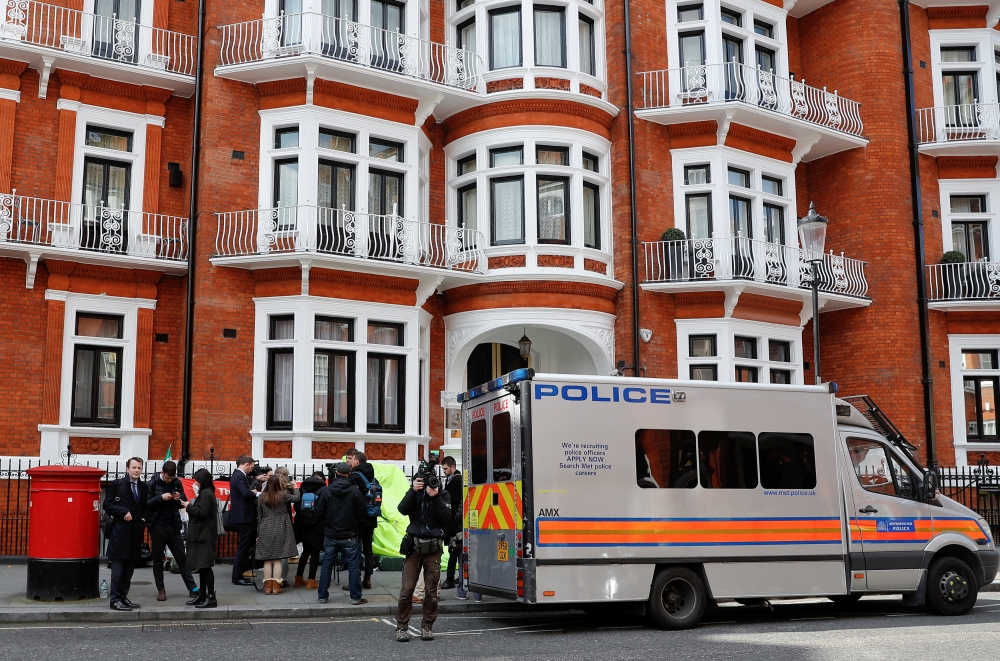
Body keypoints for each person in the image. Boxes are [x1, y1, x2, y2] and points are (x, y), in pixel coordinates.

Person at [394, 472, 452, 642]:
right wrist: (413, 491)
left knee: (431, 592)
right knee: (407, 590)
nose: (429, 484)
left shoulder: (443, 494)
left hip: (433, 547)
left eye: (432, 481)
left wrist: (435, 497)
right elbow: (402, 509)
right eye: (423, 481)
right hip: (413, 546)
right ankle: (402, 627)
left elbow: (446, 518)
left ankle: (427, 626)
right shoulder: (415, 493)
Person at [315, 462, 367, 606]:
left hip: (331, 533)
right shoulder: (355, 492)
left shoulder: (327, 490)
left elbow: (319, 512)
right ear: (349, 473)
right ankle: (355, 597)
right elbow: (362, 515)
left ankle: (322, 596)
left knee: (326, 565)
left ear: (336, 473)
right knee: (353, 566)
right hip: (350, 534)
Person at [146, 460, 199, 602]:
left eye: (172, 478)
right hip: (157, 526)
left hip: (173, 525)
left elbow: (183, 500)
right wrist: (160, 498)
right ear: (162, 472)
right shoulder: (153, 483)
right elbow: (146, 504)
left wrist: (178, 498)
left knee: (182, 557)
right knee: (158, 559)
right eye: (168, 478)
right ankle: (161, 590)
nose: (170, 480)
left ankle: (192, 587)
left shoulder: (176, 482)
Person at [103, 457, 148, 611]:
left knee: (129, 570)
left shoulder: (144, 487)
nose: (136, 470)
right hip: (120, 533)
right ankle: (115, 600)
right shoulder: (118, 484)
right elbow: (107, 505)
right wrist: (123, 511)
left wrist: (144, 518)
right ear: (127, 469)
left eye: (139, 468)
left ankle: (123, 597)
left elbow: (145, 506)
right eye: (134, 467)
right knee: (117, 571)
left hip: (135, 534)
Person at [255, 470, 299, 594]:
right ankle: (276, 587)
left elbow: (259, 516)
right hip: (281, 526)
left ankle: (268, 587)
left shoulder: (262, 497)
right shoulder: (283, 494)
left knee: (267, 559)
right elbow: (296, 498)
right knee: (278, 558)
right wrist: (295, 487)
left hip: (265, 526)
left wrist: (258, 534)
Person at [185, 468, 221, 608]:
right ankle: (202, 595)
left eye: (197, 480)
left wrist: (188, 506)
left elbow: (201, 512)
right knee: (202, 566)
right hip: (203, 534)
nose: (196, 482)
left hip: (204, 535)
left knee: (206, 567)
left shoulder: (206, 494)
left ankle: (211, 597)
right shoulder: (206, 492)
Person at [347, 450, 378, 590]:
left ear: (357, 462)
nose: (349, 462)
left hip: (358, 519)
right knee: (368, 548)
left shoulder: (355, 476)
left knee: (355, 549)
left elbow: (353, 498)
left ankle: (355, 581)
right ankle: (368, 579)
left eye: (351, 459)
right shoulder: (372, 476)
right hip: (371, 517)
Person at [294, 471, 327, 589]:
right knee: (315, 552)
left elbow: (296, 506)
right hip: (317, 525)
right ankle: (311, 581)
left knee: (305, 552)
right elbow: (325, 507)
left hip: (302, 524)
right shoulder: (324, 490)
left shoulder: (302, 488)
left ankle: (298, 578)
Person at [229, 455, 258, 586]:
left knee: (245, 546)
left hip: (244, 516)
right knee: (243, 546)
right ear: (247, 464)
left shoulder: (238, 475)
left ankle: (240, 573)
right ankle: (237, 576)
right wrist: (256, 493)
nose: (252, 469)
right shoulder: (239, 476)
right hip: (244, 517)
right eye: (251, 467)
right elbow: (245, 494)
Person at [441, 456, 463, 594]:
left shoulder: (458, 480)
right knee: (454, 551)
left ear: (453, 467)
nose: (444, 471)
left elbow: (460, 499)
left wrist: (445, 494)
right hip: (452, 522)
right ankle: (457, 578)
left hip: (455, 522)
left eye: (445, 468)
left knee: (454, 551)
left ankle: (450, 579)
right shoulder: (451, 479)